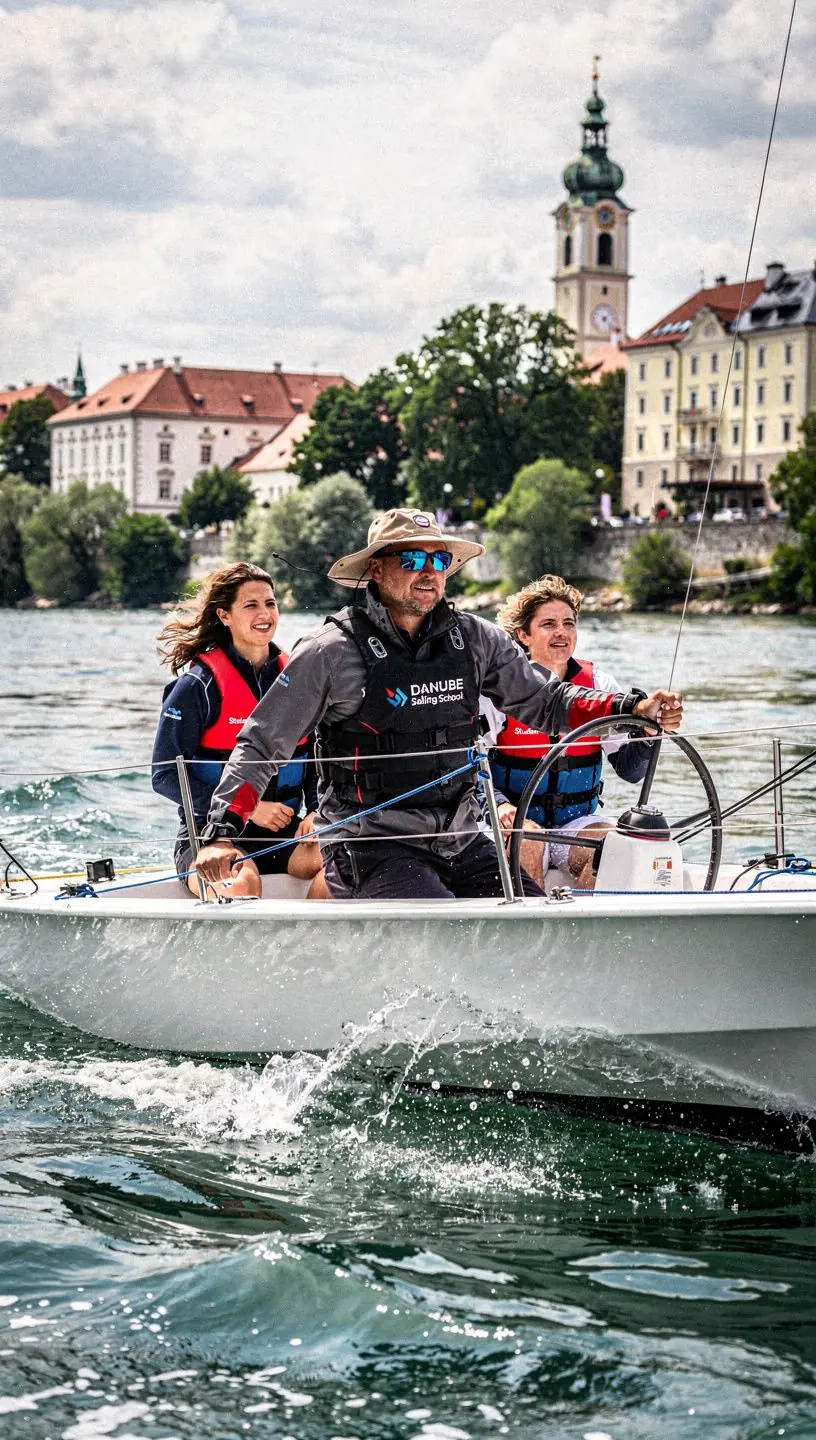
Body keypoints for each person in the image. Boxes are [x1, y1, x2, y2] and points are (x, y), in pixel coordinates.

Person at [193, 510, 682, 901]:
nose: (429, 573)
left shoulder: (475, 640)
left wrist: (629, 706)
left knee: (532, 914)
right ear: (377, 570)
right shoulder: (328, 653)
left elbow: (549, 702)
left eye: (438, 562)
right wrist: (221, 834)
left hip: (461, 838)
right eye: (413, 561)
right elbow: (262, 743)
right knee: (447, 914)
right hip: (370, 844)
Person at [152, 562, 325, 899]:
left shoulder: (298, 680)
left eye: (270, 603)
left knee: (347, 863)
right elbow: (164, 777)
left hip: (286, 834)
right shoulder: (196, 688)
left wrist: (317, 810)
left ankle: (314, 946)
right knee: (242, 884)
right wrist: (248, 807)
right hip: (210, 836)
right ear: (224, 615)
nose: (265, 613)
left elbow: (315, 759)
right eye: (251, 605)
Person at [483, 575, 654, 890]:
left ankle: (590, 929)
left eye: (569, 623)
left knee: (612, 846)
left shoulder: (599, 686)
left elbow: (631, 771)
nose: (561, 632)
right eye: (548, 624)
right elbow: (469, 768)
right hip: (510, 823)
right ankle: (532, 932)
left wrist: (645, 733)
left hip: (573, 825)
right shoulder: (497, 692)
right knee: (528, 840)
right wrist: (498, 803)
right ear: (523, 635)